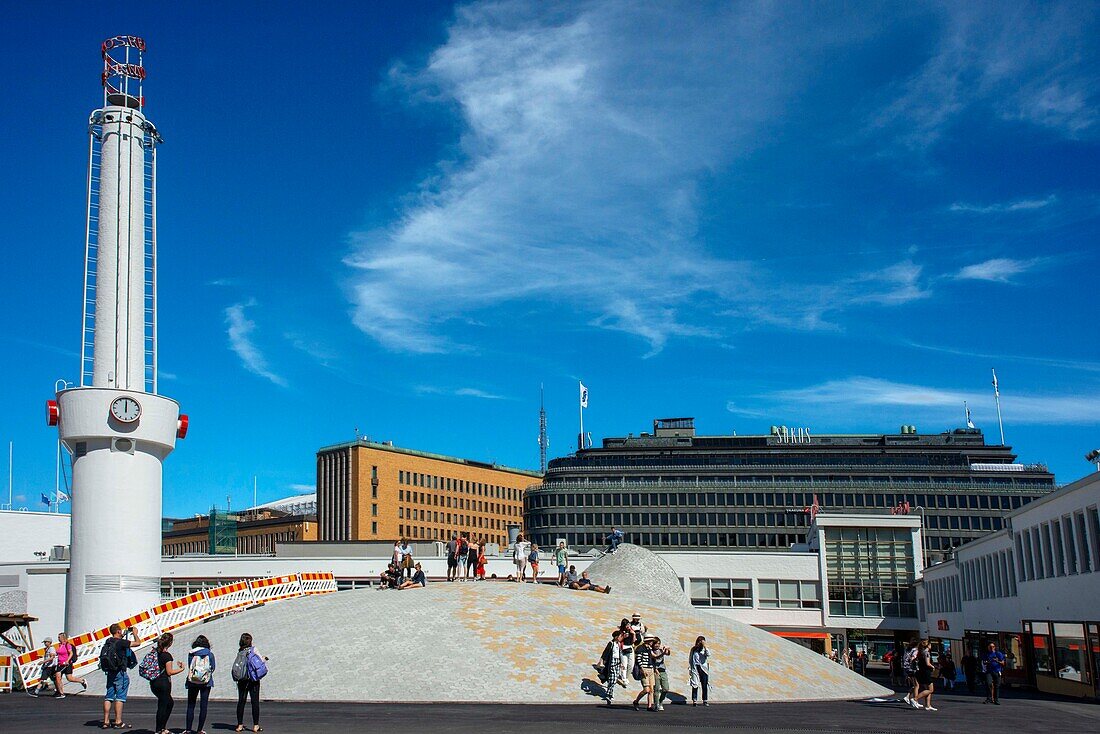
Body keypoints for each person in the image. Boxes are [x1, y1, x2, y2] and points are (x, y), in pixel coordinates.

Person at [100, 624, 139, 730]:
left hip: (110, 672)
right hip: (119, 672)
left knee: (109, 696)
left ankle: (106, 721)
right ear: (118, 631)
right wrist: (135, 634)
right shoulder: (121, 642)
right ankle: (118, 721)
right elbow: (137, 643)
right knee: (120, 697)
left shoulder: (108, 641)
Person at [147, 632, 186, 734]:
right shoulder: (167, 656)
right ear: (170, 643)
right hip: (163, 683)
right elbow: (169, 672)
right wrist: (181, 669)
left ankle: (161, 728)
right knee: (164, 705)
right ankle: (160, 729)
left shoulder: (155, 653)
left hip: (154, 682)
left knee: (166, 703)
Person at [233, 633, 267, 733]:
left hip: (242, 680)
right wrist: (264, 659)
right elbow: (260, 661)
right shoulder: (253, 649)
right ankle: (256, 725)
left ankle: (239, 725)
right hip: (253, 679)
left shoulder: (240, 651)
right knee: (255, 702)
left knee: (241, 702)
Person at [184, 634, 216, 734]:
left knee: (190, 706)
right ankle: (200, 730)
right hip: (206, 682)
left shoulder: (191, 653)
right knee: (203, 706)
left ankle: (188, 729)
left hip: (192, 681)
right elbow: (213, 667)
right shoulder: (210, 654)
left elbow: (190, 666)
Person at [632, 635, 656, 711]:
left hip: (651, 669)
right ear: (648, 641)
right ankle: (636, 701)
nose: (653, 642)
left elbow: (654, 657)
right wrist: (642, 669)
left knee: (651, 689)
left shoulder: (649, 649)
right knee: (646, 689)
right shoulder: (640, 648)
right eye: (652, 641)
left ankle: (649, 706)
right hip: (644, 670)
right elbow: (638, 659)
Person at [910, 639, 936, 711]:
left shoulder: (921, 652)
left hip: (921, 671)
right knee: (931, 689)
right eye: (930, 644)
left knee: (927, 689)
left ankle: (928, 705)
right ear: (928, 645)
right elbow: (927, 663)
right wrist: (933, 666)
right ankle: (915, 699)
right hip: (926, 672)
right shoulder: (926, 653)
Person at [601, 630, 624, 705]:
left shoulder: (619, 644)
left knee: (614, 678)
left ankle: (610, 693)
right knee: (613, 679)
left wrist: (622, 663)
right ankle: (609, 693)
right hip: (612, 662)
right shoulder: (611, 644)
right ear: (616, 637)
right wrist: (602, 661)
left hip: (618, 662)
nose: (621, 638)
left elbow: (620, 654)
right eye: (620, 636)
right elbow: (606, 652)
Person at [689, 636, 711, 706]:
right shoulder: (693, 649)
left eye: (701, 641)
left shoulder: (704, 650)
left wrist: (705, 646)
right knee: (695, 684)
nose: (699, 643)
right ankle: (694, 700)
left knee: (704, 684)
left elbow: (708, 654)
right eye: (698, 641)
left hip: (703, 668)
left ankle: (705, 700)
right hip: (695, 667)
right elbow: (690, 658)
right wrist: (690, 667)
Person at [651, 636, 671, 711]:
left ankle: (660, 702)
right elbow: (656, 657)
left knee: (665, 689)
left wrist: (667, 649)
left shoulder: (660, 650)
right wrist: (663, 653)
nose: (657, 645)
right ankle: (656, 705)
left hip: (663, 671)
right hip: (655, 671)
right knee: (656, 689)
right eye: (656, 643)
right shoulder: (651, 651)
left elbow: (668, 653)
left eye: (659, 643)